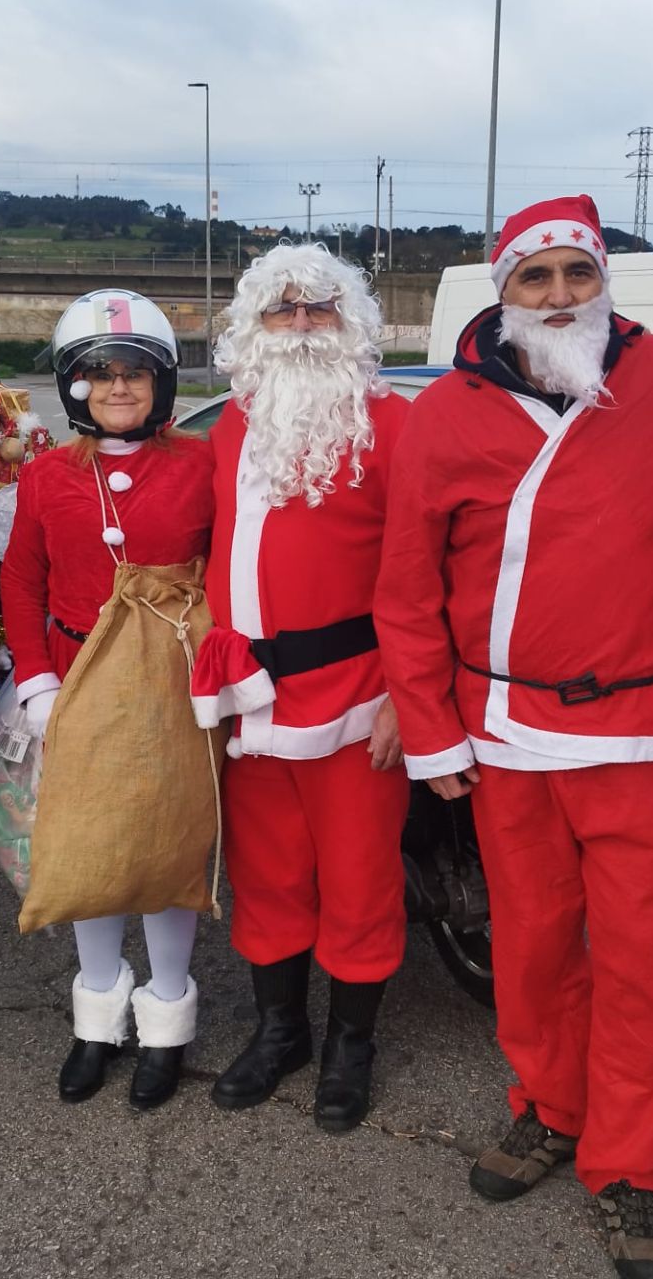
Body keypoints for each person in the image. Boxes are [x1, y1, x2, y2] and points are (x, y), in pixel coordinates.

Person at [375, 195, 653, 1278]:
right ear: (502, 293)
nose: (560, 295)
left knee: (649, 964)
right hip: (501, 728)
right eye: (535, 278)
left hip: (637, 730)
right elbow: (408, 589)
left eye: (577, 274)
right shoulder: (450, 413)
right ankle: (549, 1107)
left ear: (604, 280)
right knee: (531, 945)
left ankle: (630, 1167)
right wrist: (433, 732)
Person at [190, 243, 410, 1134]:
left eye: (319, 308)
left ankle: (351, 1047)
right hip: (251, 698)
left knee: (358, 881)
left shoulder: (394, 426)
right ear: (254, 329)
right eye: (284, 311)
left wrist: (407, 691)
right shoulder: (231, 427)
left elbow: (427, 570)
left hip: (358, 693)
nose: (302, 324)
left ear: (350, 322)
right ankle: (282, 1032)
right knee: (269, 877)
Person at [0, 289, 216, 1111]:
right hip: (73, 679)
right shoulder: (48, 475)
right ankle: (96, 1017)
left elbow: (225, 570)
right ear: (73, 385)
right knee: (89, 848)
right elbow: (22, 579)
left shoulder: (199, 465)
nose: (118, 387)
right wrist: (36, 680)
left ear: (161, 385)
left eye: (135, 373)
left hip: (168, 684)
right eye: (99, 374)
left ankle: (167, 1015)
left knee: (160, 852)